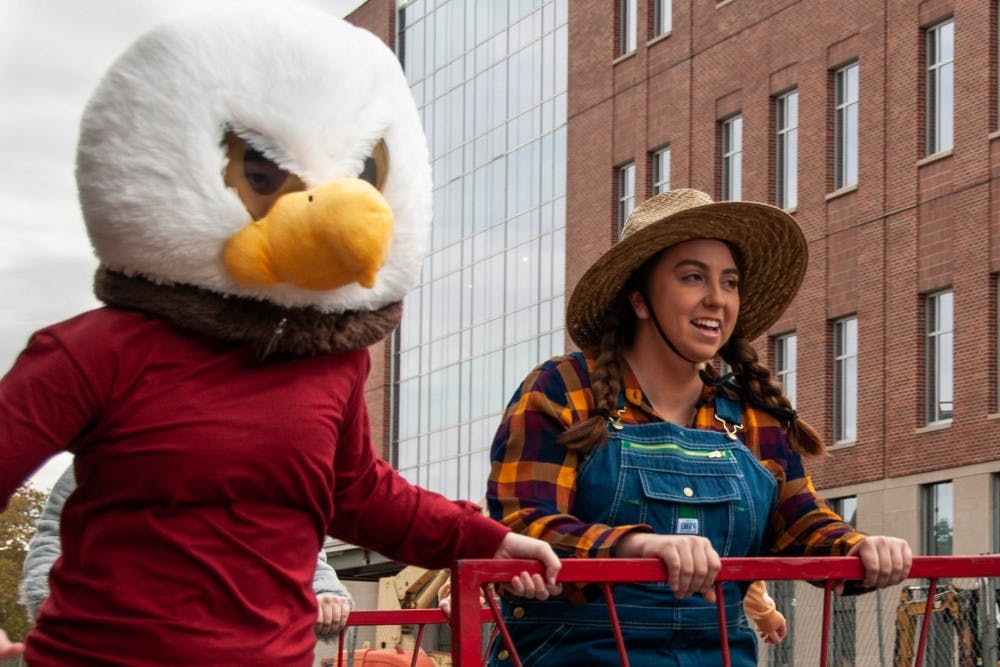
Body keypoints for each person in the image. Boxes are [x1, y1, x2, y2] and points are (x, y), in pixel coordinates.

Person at [0, 4, 559, 665]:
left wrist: (483, 537)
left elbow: (356, 490)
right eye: (260, 176)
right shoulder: (95, 349)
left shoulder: (334, 364)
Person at [486, 189, 911, 666]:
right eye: (693, 277)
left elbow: (800, 521)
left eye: (729, 283)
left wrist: (861, 548)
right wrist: (638, 546)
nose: (717, 298)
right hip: (575, 655)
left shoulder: (751, 414)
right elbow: (520, 526)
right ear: (640, 301)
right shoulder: (563, 389)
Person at [16, 465, 355, 641]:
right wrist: (59, 607)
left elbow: (294, 539)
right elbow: (53, 539)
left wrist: (325, 590)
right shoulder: (103, 451)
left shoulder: (257, 451)